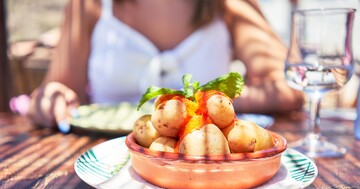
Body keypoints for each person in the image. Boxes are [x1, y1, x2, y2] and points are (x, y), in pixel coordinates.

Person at [27, 0, 304, 128]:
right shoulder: (89, 4)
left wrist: (208, 102)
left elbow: (292, 86)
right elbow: (60, 88)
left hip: (202, 164)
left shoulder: (226, 4)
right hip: (102, 163)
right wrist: (51, 98)